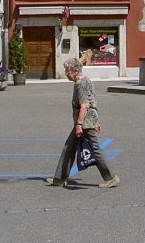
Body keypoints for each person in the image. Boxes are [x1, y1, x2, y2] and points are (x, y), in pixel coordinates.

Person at [46, 57, 119, 188]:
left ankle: (111, 177)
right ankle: (60, 178)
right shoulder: (87, 80)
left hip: (84, 122)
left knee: (95, 149)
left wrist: (79, 125)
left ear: (74, 70)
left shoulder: (80, 83)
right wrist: (95, 121)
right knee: (69, 148)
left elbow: (85, 105)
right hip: (88, 120)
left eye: (67, 70)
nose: (66, 73)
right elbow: (92, 102)